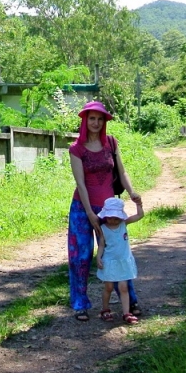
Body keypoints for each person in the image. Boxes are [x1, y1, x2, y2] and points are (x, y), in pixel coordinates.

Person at [67, 100, 142, 322]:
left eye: (100, 119)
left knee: (117, 252)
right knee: (81, 256)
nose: (96, 123)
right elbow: (80, 183)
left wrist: (132, 192)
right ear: (85, 120)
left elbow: (122, 171)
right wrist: (90, 213)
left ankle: (131, 301)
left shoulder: (111, 142)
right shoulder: (76, 149)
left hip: (110, 210)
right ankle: (80, 304)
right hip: (83, 208)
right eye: (92, 118)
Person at [96, 197, 144, 324]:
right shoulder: (103, 228)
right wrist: (98, 257)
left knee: (124, 287)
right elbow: (101, 244)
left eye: (116, 218)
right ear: (105, 216)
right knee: (109, 287)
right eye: (110, 217)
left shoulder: (124, 224)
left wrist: (138, 204)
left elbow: (139, 215)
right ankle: (105, 309)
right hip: (110, 262)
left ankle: (126, 312)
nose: (113, 220)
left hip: (123, 261)